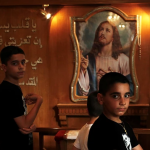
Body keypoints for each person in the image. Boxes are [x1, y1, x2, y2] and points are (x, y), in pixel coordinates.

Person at [0, 46, 43, 150]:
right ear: (4, 67)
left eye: (23, 62)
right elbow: (24, 124)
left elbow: (22, 122)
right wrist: (39, 101)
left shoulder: (14, 88)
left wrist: (31, 126)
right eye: (15, 63)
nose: (21, 66)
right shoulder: (9, 90)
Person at [88, 72, 143, 150]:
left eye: (126, 96)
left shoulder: (125, 125)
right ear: (101, 98)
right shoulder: (100, 130)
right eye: (116, 96)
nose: (123, 102)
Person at [77, 20, 133, 96]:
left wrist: (113, 79)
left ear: (113, 37)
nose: (103, 33)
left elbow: (131, 90)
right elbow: (83, 93)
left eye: (107, 30)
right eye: (101, 29)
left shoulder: (123, 60)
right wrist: (83, 71)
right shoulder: (89, 59)